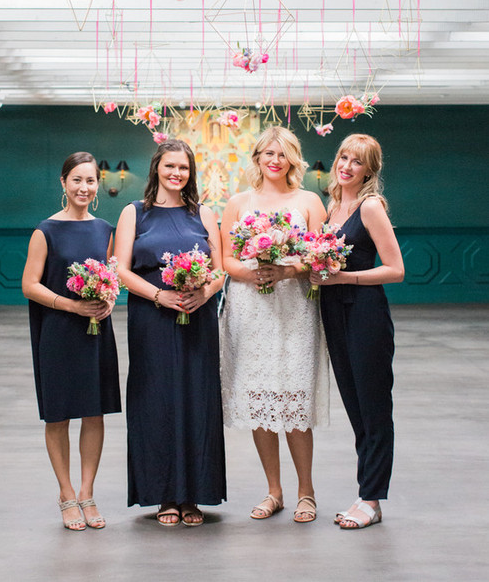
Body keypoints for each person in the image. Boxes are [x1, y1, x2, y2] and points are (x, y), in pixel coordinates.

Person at [220, 126, 329, 524]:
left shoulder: (309, 201)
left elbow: (321, 256)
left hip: (295, 309)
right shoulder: (238, 202)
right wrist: (253, 275)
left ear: (292, 159)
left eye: (282, 154)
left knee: (293, 400)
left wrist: (287, 271)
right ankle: (274, 491)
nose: (274, 160)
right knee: (259, 399)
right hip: (250, 310)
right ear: (257, 158)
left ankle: (306, 492)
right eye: (267, 153)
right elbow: (227, 259)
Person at [114, 139, 226, 527]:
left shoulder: (204, 214)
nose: (177, 173)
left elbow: (220, 268)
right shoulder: (135, 213)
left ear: (191, 173)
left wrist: (203, 292)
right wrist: (159, 295)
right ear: (156, 169)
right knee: (156, 399)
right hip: (151, 319)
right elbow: (121, 270)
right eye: (170, 166)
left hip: (198, 318)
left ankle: (194, 495)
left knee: (197, 399)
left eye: (184, 167)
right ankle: (164, 494)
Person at [22, 152, 121, 531]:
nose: (84, 187)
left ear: (98, 186)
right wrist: (71, 306)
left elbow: (113, 275)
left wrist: (109, 299)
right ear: (63, 182)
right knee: (59, 413)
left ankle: (87, 492)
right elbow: (29, 285)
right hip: (59, 332)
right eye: (77, 180)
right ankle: (65, 493)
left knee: (94, 412)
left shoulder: (105, 229)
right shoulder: (45, 230)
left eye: (90, 181)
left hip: (95, 330)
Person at [310, 133, 404, 530]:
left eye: (357, 161)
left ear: (369, 170)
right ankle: (368, 493)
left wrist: (344, 278)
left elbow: (396, 270)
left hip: (364, 313)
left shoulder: (369, 208)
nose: (346, 165)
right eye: (343, 157)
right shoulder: (332, 207)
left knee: (374, 408)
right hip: (334, 313)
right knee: (356, 408)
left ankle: (370, 498)